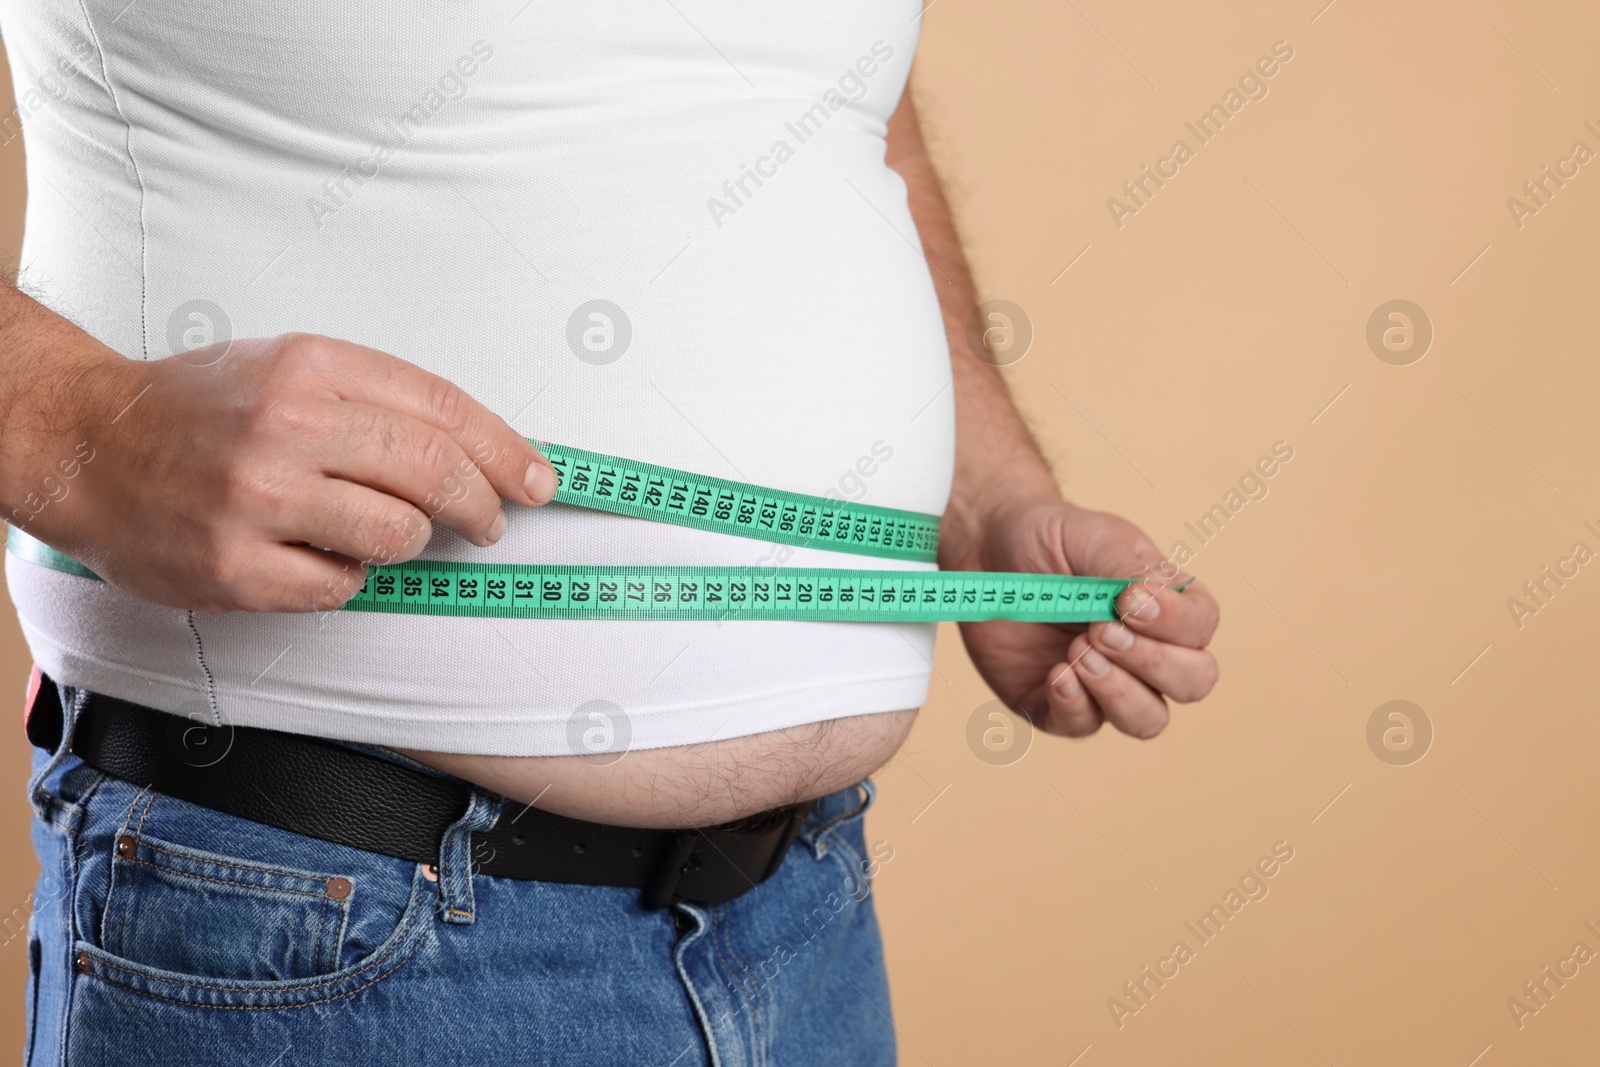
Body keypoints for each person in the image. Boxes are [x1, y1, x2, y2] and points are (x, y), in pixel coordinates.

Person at [0, 3, 1218, 1064]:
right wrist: (69, 424)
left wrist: (985, 492)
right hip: (318, 911)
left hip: (809, 918)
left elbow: (834, 108)